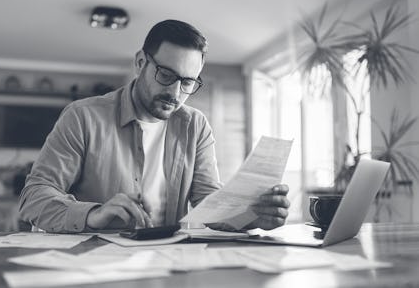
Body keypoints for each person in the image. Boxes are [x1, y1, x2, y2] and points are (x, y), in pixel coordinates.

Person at [18, 19, 290, 233]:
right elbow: (34, 197)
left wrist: (253, 217)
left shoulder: (195, 126)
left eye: (187, 82)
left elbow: (209, 204)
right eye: (166, 75)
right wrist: (93, 214)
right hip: (93, 261)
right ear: (140, 63)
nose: (175, 92)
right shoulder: (82, 117)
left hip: (165, 261)